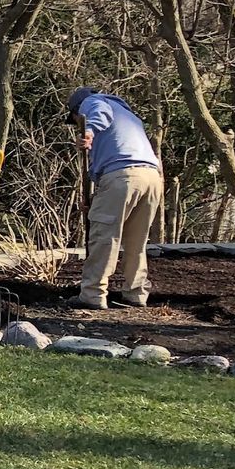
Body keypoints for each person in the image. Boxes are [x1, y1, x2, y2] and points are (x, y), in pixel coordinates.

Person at [69, 86, 162, 309]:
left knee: (104, 236)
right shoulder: (129, 116)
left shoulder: (92, 103)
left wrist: (88, 131)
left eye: (74, 120)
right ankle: (136, 293)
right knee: (136, 241)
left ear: (76, 111)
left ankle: (93, 294)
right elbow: (112, 156)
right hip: (151, 178)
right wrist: (94, 197)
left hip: (124, 177)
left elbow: (98, 111)